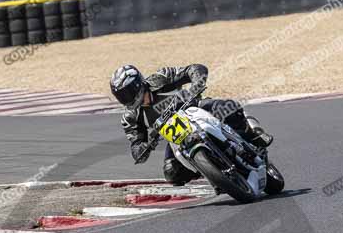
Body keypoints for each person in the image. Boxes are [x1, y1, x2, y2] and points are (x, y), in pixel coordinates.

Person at [110, 64, 273, 186]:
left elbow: (195, 69)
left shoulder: (159, 78)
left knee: (229, 107)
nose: (126, 99)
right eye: (121, 96)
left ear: (138, 84)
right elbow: (136, 148)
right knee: (172, 173)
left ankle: (254, 134)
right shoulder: (130, 117)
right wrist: (145, 146)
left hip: (196, 108)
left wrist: (196, 85)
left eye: (127, 93)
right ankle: (212, 171)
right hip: (175, 136)